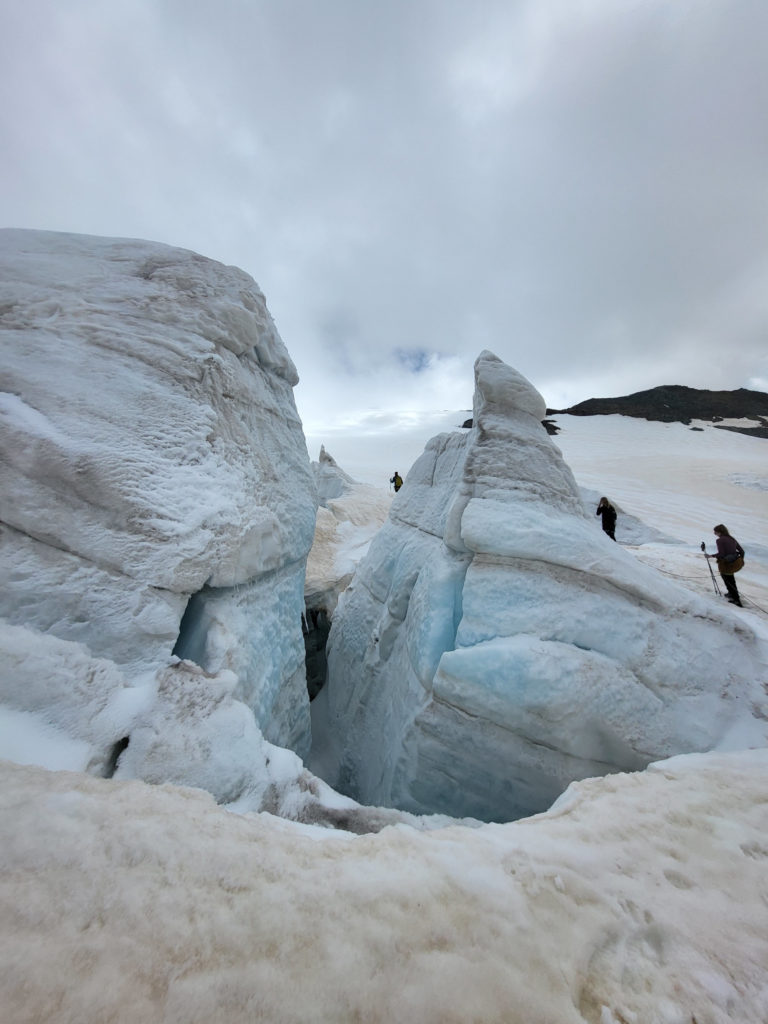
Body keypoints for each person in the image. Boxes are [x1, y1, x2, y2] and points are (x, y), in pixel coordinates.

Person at [706, 524, 745, 606]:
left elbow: (721, 554)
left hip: (725, 564)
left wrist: (710, 556)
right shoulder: (732, 539)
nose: (714, 533)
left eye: (715, 532)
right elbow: (742, 551)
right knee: (731, 579)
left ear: (720, 532)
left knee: (729, 581)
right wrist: (739, 560)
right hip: (733, 563)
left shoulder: (720, 540)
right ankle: (731, 594)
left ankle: (736, 600)